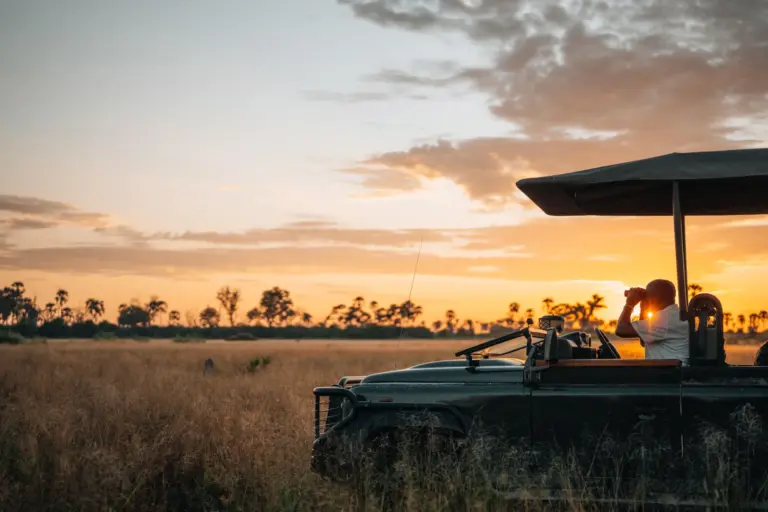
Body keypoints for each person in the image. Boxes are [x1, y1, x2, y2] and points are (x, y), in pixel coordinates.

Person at [615, 279, 689, 364]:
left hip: (668, 374)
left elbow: (621, 329)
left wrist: (629, 304)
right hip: (671, 370)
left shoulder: (664, 319)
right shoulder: (673, 315)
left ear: (656, 297)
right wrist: (643, 308)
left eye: (647, 295)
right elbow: (644, 341)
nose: (646, 298)